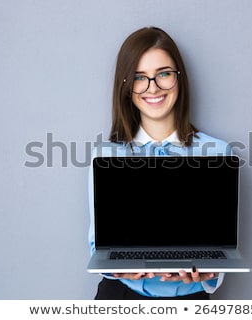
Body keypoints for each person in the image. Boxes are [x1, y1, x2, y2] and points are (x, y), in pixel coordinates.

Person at [88, 26, 232, 299]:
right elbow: (98, 247)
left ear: (179, 78)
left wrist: (209, 272)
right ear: (126, 86)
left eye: (163, 74)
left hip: (190, 300)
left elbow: (223, 247)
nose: (152, 88)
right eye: (140, 78)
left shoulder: (218, 152)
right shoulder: (106, 155)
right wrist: (119, 269)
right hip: (118, 298)